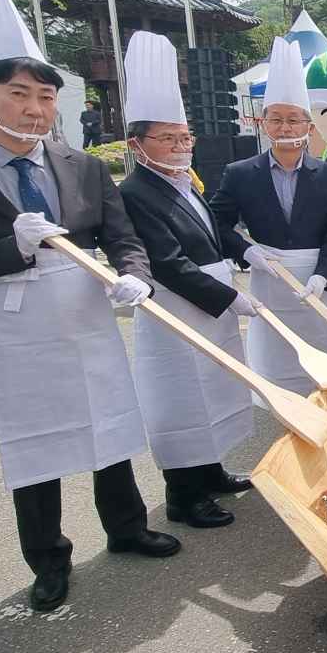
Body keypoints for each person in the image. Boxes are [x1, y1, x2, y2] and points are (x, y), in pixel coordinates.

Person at [0, 0, 179, 613]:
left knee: (109, 421)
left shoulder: (82, 164)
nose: (35, 109)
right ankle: (48, 559)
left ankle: (127, 526)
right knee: (36, 442)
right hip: (16, 320)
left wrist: (133, 274)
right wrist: (15, 246)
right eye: (20, 94)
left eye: (46, 97)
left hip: (86, 307)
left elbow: (122, 234)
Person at [118, 31, 256, 532]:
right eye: (168, 139)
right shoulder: (136, 191)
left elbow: (214, 231)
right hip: (176, 309)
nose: (180, 147)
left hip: (208, 304)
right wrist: (230, 298)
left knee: (214, 390)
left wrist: (245, 250)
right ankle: (183, 495)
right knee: (181, 397)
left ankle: (212, 469)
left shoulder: (182, 181)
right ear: (138, 144)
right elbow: (169, 262)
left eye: (185, 137)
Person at [211, 38, 327, 395]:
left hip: (318, 279)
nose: (285, 128)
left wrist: (325, 275)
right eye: (276, 120)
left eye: (293, 120)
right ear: (264, 124)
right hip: (268, 274)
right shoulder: (240, 173)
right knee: (277, 359)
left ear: (308, 125)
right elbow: (216, 223)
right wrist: (246, 252)